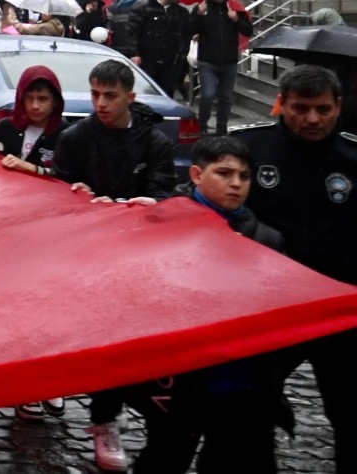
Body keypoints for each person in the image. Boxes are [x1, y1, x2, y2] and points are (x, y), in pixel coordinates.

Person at [107, 135, 287, 474]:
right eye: (224, 173)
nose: (236, 184)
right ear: (196, 175)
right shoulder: (165, 225)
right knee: (165, 458)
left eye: (244, 176)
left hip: (242, 385)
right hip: (180, 381)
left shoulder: (267, 239)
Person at [54, 59, 177, 471]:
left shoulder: (154, 142)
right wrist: (79, 197)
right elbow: (55, 192)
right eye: (95, 95)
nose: (101, 103)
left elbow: (163, 193)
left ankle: (117, 415)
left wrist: (142, 206)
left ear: (130, 96)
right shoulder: (75, 137)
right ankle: (95, 414)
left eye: (110, 95)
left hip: (136, 255)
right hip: (85, 255)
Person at [236, 65, 357, 471]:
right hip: (271, 306)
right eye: (301, 108)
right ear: (281, 104)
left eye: (322, 109)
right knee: (251, 408)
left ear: (338, 108)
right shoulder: (250, 153)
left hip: (341, 311)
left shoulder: (354, 158)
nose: (312, 119)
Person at [191, 0, 253, 136]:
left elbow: (248, 30)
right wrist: (198, 14)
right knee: (208, 94)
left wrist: (236, 20)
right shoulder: (202, 9)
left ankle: (221, 128)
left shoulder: (235, 9)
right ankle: (202, 124)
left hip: (229, 61)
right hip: (207, 61)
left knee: (226, 97)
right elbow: (189, 30)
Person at [0, 66, 64, 179]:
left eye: (42, 99)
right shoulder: (4, 128)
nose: (35, 106)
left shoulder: (65, 136)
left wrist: (33, 168)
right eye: (28, 98)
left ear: (55, 101)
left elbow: (69, 178)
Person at [131, 0, 192, 98]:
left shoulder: (180, 12)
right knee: (148, 92)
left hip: (171, 61)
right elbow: (132, 31)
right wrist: (134, 53)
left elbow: (187, 32)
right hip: (147, 60)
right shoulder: (141, 7)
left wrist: (182, 51)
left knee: (167, 93)